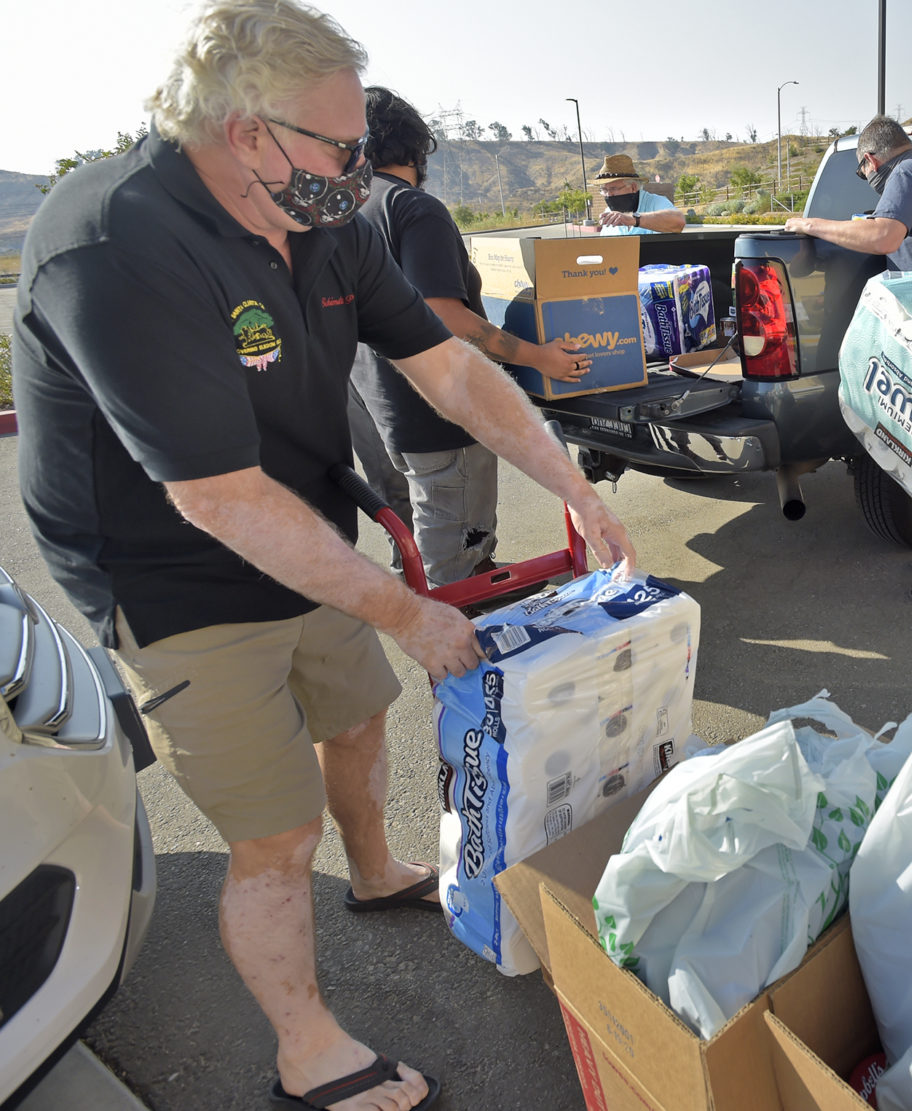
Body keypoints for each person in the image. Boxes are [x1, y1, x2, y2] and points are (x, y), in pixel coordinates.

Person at [11, 4, 636, 1110]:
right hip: (174, 575)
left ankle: (380, 869)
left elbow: (447, 369)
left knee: (356, 720)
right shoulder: (113, 239)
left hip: (304, 531)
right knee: (274, 834)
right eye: (339, 147)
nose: (356, 171)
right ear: (249, 132)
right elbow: (213, 496)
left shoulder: (326, 218)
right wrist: (408, 611)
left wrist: (572, 485)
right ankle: (310, 1055)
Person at [352, 86, 592, 588]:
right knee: (455, 546)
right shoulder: (413, 208)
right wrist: (538, 356)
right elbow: (444, 315)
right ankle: (466, 636)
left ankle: (434, 596)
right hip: (438, 411)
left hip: (375, 399)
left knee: (417, 528)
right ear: (417, 149)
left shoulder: (350, 208)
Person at [784, 115, 912, 603]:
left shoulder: (909, 174)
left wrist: (807, 224)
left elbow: (885, 238)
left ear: (870, 159)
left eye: (862, 170)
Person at [596, 153, 686, 234]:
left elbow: (678, 221)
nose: (609, 195)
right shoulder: (608, 213)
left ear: (633, 187)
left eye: (613, 189)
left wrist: (633, 219)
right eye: (604, 190)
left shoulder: (655, 203)